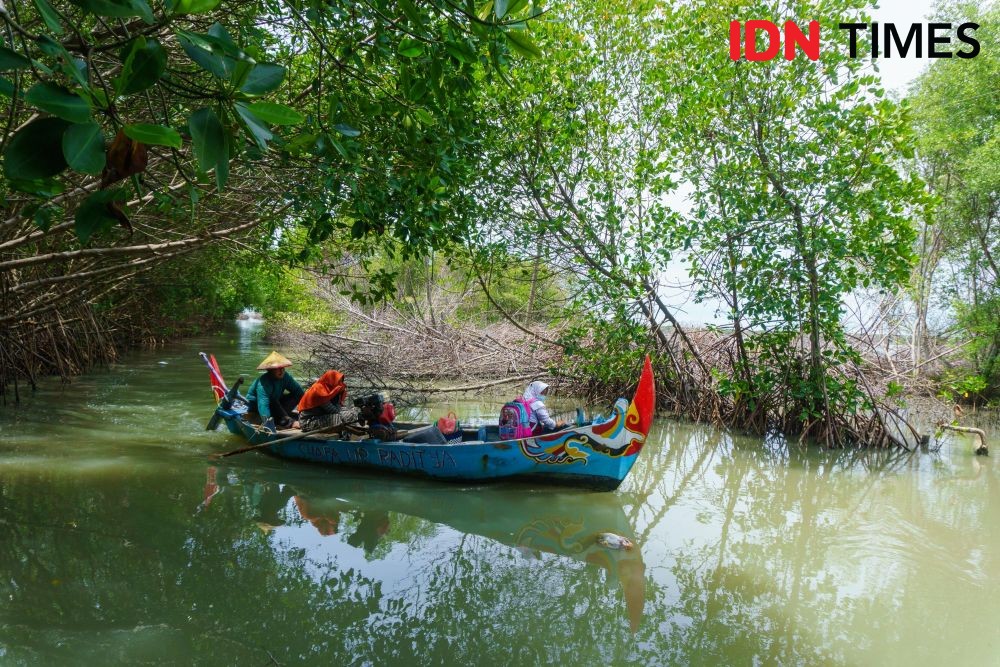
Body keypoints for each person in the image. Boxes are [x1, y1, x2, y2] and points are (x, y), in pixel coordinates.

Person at [246, 351, 304, 430]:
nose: (282, 371)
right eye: (278, 369)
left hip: (275, 403)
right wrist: (268, 423)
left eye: (283, 368)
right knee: (273, 401)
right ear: (270, 370)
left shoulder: (285, 377)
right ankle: (288, 422)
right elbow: (263, 405)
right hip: (256, 407)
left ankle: (281, 417)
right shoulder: (263, 383)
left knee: (296, 396)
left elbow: (299, 392)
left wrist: (305, 410)